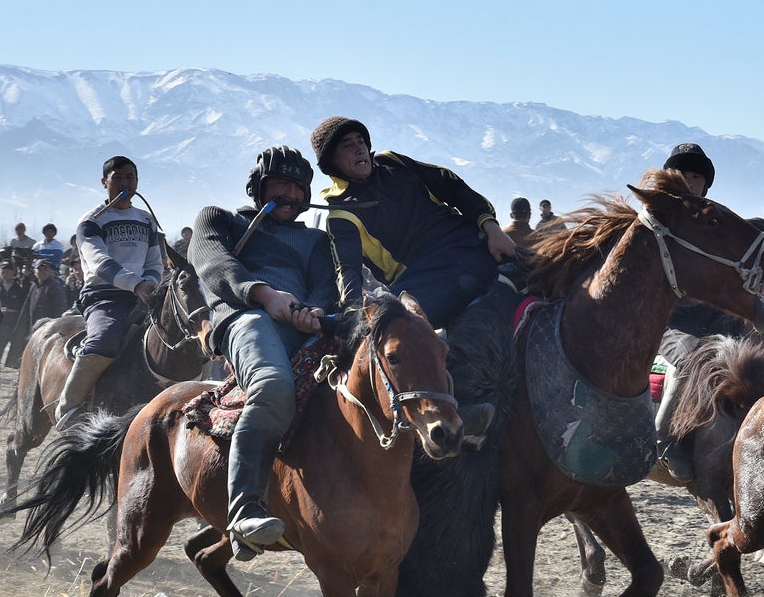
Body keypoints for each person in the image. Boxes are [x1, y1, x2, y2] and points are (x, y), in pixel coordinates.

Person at [188, 146, 358, 561]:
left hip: (302, 325)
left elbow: (324, 287)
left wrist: (315, 312)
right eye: (280, 184)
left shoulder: (316, 239)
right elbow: (213, 264)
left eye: (299, 188)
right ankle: (245, 509)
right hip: (246, 320)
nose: (291, 195)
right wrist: (264, 295)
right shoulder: (219, 219)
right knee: (272, 385)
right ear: (258, 186)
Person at [309, 116, 515, 330]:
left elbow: (451, 185)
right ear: (331, 161)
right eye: (347, 146)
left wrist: (492, 228)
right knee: (393, 329)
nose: (359, 149)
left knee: (544, 275)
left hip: (470, 244)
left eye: (360, 141)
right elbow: (347, 270)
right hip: (424, 280)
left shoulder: (392, 161)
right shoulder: (341, 213)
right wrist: (352, 311)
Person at [653, 143, 739, 481]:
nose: (690, 182)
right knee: (692, 358)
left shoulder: (716, 220)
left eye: (697, 176)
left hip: (714, 316)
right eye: (683, 175)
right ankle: (664, 438)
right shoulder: (656, 220)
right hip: (668, 318)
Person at [57, 156, 164, 428]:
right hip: (104, 296)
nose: (125, 183)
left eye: (130, 177)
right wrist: (135, 283)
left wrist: (150, 282)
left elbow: (154, 262)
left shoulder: (146, 220)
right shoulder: (91, 221)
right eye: (118, 178)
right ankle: (69, 406)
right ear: (104, 182)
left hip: (144, 295)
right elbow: (99, 263)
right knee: (105, 339)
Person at [18, 259, 69, 335]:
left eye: (45, 269)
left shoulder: (55, 286)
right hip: (34, 327)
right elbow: (27, 308)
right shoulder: (34, 285)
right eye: (39, 269)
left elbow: (61, 308)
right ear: (35, 272)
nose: (42, 272)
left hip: (49, 329)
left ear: (50, 271)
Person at [0, 261, 28, 370]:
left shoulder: (19, 288)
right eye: (3, 271)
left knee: (17, 355)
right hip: (0, 326)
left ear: (13, 273)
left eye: (7, 271)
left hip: (15, 325)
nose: (5, 274)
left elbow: (24, 306)